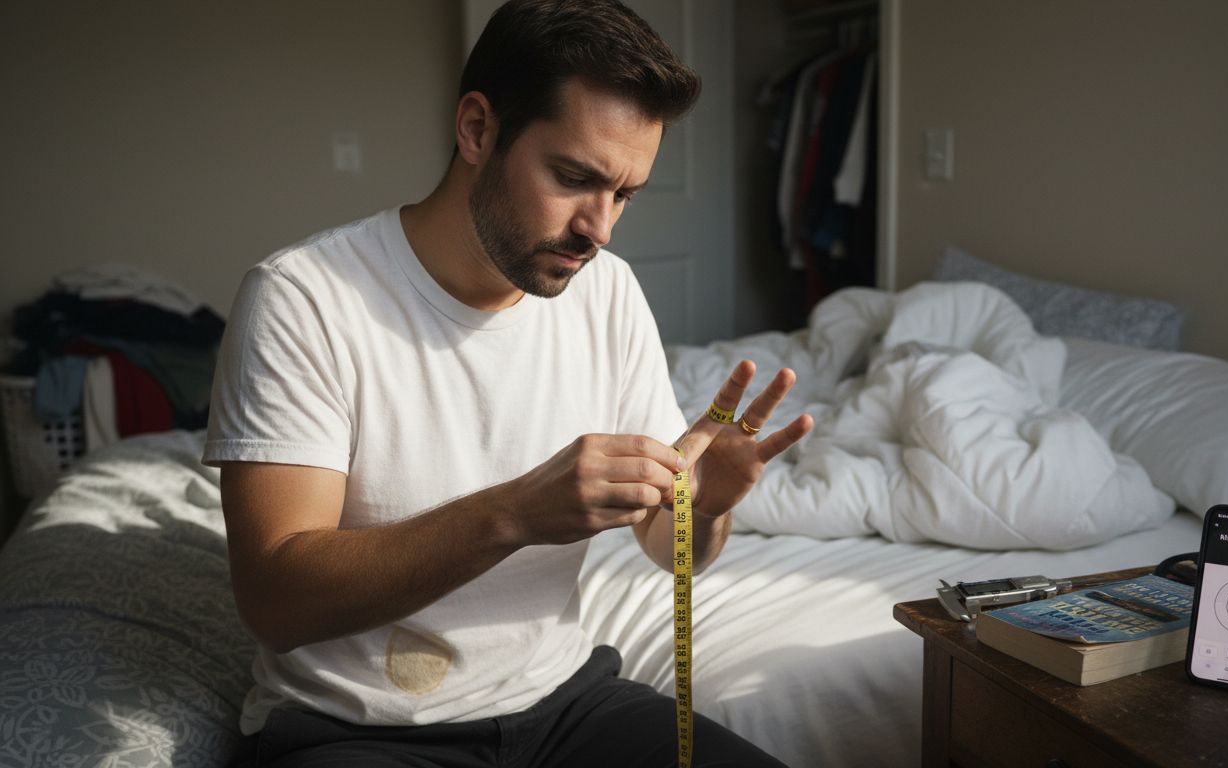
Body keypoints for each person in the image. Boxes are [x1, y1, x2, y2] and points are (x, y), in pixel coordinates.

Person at [205, 1, 813, 765]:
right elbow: (275, 603)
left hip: (564, 706)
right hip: (358, 731)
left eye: (624, 194)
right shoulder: (303, 299)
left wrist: (705, 510)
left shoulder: (610, 292)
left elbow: (665, 544)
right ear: (476, 130)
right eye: (573, 177)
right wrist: (516, 512)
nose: (602, 229)